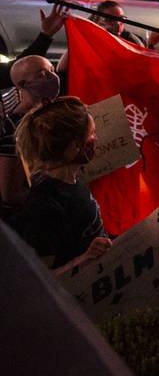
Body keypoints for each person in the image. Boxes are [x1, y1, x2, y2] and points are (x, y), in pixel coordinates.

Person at [10, 97, 111, 275]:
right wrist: (85, 258)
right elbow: (40, 280)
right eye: (91, 134)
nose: (96, 138)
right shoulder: (43, 206)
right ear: (74, 148)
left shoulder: (72, 178)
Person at [1, 56, 63, 213]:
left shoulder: (51, 112)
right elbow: (10, 194)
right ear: (22, 85)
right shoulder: (14, 129)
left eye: (52, 70)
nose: (53, 77)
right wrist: (55, 201)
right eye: (42, 75)